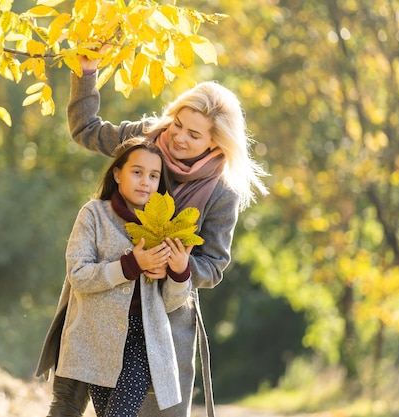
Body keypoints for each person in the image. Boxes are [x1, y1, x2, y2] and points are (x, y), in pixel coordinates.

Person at [36, 53, 268, 417]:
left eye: (193, 135)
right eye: (177, 124)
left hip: (166, 315)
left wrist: (181, 265)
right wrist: (86, 72)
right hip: (102, 301)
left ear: (215, 143)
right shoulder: (145, 138)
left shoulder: (221, 192)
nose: (177, 138)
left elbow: (214, 266)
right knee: (70, 401)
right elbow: (86, 130)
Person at [41, 136, 194, 417]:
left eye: (154, 176)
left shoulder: (165, 227)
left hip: (142, 343)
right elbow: (78, 275)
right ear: (117, 173)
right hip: (96, 340)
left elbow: (171, 303)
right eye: (137, 172)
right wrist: (131, 264)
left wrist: (180, 271)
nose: (145, 182)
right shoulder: (93, 215)